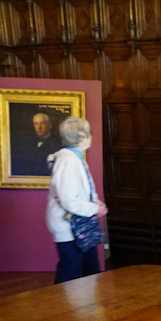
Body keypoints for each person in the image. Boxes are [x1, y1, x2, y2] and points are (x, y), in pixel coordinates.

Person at [46, 116, 108, 284]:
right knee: (70, 273)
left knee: (91, 270)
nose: (91, 136)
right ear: (81, 138)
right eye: (90, 132)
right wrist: (95, 209)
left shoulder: (75, 159)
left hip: (79, 225)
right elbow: (70, 201)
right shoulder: (68, 162)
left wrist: (95, 203)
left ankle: (88, 301)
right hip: (69, 226)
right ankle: (63, 303)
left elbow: (83, 190)